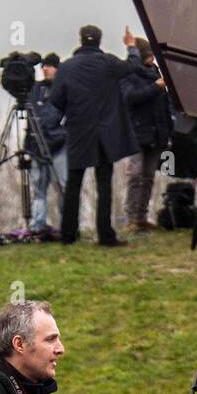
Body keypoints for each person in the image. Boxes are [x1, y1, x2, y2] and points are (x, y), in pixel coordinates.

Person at [50, 24, 139, 246]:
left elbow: (55, 98)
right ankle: (105, 235)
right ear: (100, 40)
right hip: (105, 133)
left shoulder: (67, 67)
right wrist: (131, 46)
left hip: (78, 131)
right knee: (104, 184)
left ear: (81, 40)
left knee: (74, 183)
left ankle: (68, 235)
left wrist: (72, 110)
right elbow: (132, 66)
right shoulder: (108, 63)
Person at [121, 37, 171, 231]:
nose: (152, 58)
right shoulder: (129, 75)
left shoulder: (156, 72)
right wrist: (155, 87)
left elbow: (164, 105)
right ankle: (131, 217)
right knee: (135, 175)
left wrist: (167, 130)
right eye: (149, 55)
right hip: (136, 132)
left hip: (156, 133)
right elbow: (130, 98)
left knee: (149, 176)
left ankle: (141, 216)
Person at [26, 53, 66, 233]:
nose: (45, 69)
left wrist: (63, 133)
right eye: (43, 66)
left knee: (63, 186)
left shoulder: (64, 88)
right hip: (37, 146)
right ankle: (37, 225)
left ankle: (67, 225)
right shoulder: (34, 89)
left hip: (59, 146)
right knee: (38, 188)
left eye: (49, 66)